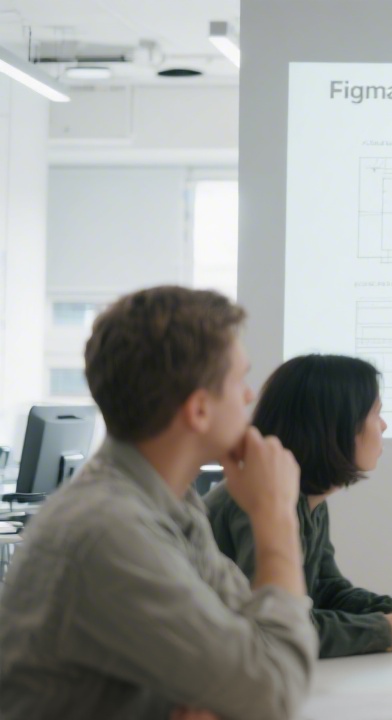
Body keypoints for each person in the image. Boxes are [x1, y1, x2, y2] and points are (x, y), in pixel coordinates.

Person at [0, 286, 316, 720]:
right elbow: (275, 688)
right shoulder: (109, 531)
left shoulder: (172, 503)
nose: (248, 397)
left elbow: (257, 646)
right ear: (199, 410)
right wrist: (276, 517)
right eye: (240, 380)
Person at [205, 354, 392, 658]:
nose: (384, 425)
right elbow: (282, 630)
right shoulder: (259, 500)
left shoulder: (308, 499)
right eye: (376, 413)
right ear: (338, 426)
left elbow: (327, 591)